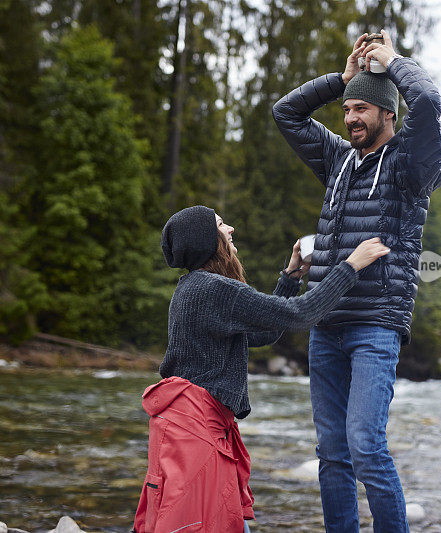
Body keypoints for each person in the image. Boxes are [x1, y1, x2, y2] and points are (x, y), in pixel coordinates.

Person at [272, 30, 441, 532]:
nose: (351, 119)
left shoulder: (411, 165)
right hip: (325, 322)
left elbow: (429, 100)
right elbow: (286, 113)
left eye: (361, 109)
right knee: (332, 453)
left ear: (387, 113)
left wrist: (393, 63)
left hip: (376, 325)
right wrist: (341, 80)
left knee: (365, 446)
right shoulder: (338, 159)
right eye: (347, 110)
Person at [132, 205, 390, 533]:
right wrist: (351, 266)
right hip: (196, 433)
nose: (231, 230)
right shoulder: (213, 289)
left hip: (188, 427)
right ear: (205, 240)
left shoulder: (192, 288)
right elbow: (301, 314)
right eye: (222, 225)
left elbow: (262, 333)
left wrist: (292, 275)